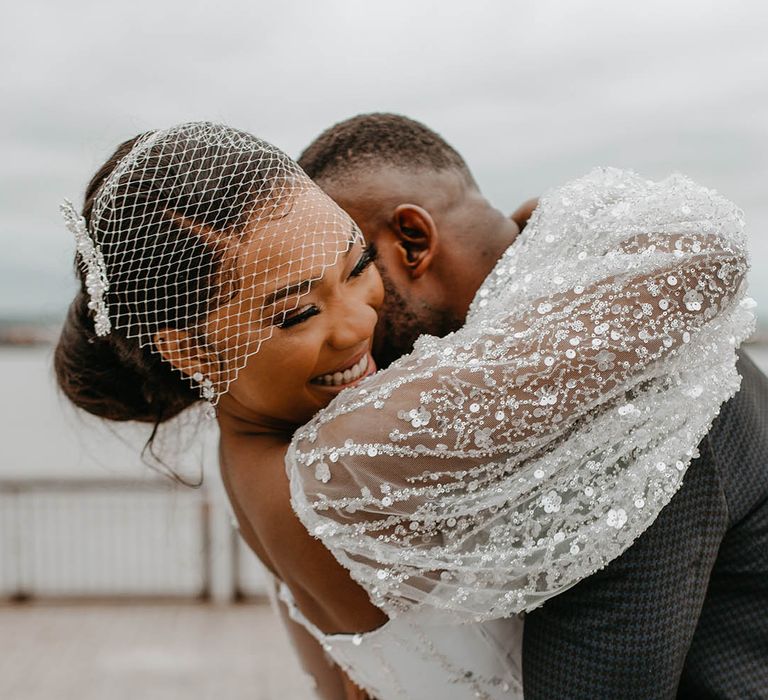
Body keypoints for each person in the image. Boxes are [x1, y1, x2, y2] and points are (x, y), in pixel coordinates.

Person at [54, 121, 753, 700]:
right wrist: (536, 238)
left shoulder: (247, 462)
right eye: (297, 311)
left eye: (357, 266)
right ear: (191, 350)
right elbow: (698, 260)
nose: (357, 322)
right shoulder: (342, 461)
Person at [296, 113, 768, 698]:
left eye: (349, 273)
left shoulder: (635, 413)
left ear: (412, 242)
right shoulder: (583, 326)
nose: (344, 325)